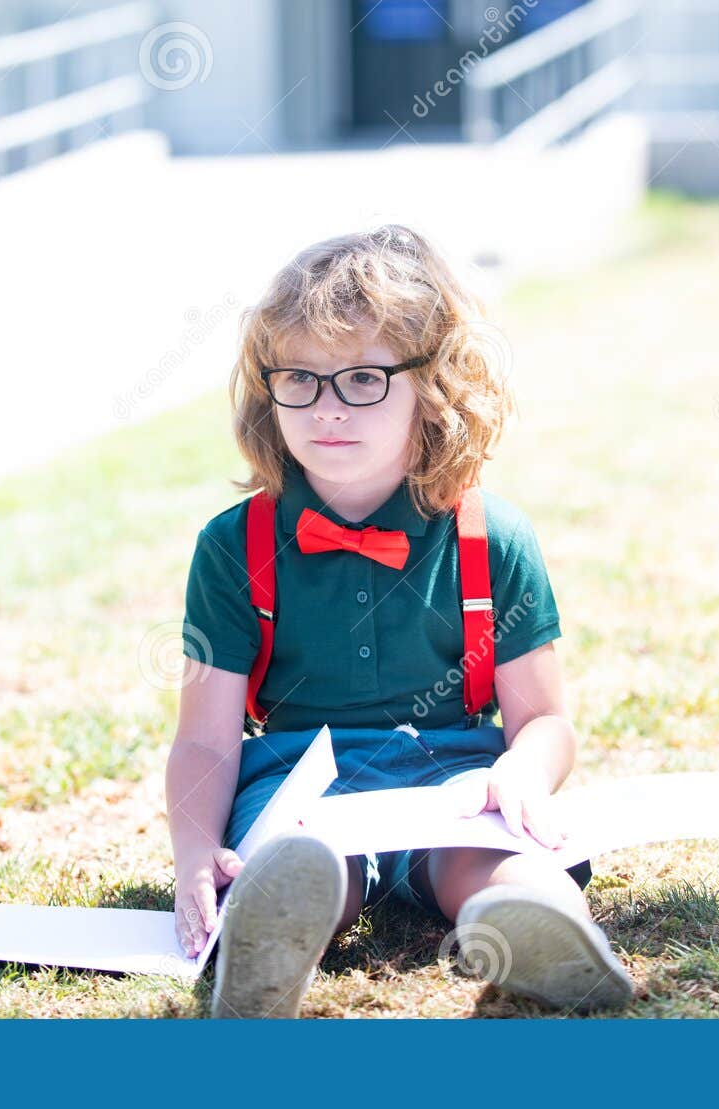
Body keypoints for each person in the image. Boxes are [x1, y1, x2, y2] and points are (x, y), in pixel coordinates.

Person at [166, 224, 634, 1017]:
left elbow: (545, 720)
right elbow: (207, 738)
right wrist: (189, 858)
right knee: (299, 864)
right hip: (296, 783)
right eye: (301, 380)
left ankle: (536, 927)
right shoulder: (233, 544)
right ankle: (270, 946)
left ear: (436, 386)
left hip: (453, 780)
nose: (326, 409)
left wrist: (518, 775)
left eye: (362, 379)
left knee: (487, 862)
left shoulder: (494, 538)